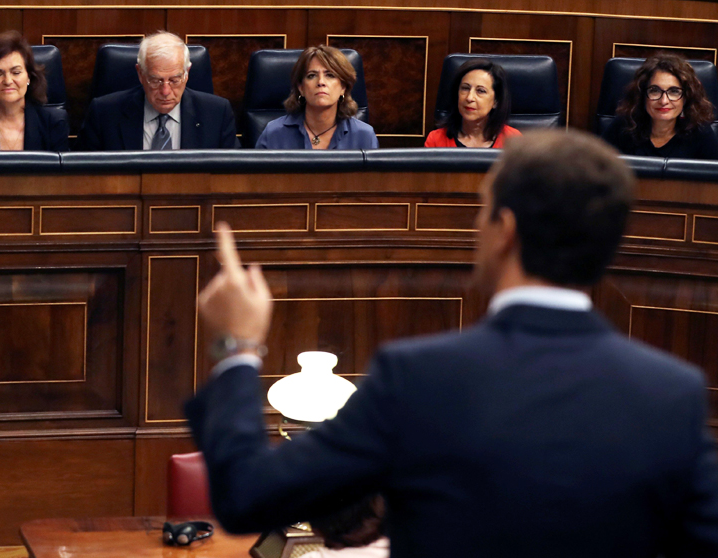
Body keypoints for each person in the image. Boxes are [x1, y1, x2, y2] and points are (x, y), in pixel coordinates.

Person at [187, 130, 718, 556]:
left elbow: (249, 495)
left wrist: (237, 348)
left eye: (481, 210)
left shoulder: (419, 378)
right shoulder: (672, 393)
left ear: (505, 230)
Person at [76, 31, 238, 151]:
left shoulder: (217, 114)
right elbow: (83, 177)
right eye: (156, 81)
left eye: (174, 80)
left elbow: (232, 176)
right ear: (140, 73)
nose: (166, 91)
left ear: (187, 73)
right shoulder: (104, 114)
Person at [255, 46, 377, 150]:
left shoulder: (364, 136)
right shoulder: (274, 133)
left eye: (330, 75)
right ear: (301, 88)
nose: (321, 82)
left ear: (343, 88)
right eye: (311, 76)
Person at [602, 53, 718, 159]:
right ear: (642, 95)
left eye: (674, 91)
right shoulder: (623, 127)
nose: (664, 101)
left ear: (686, 97)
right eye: (654, 91)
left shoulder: (701, 132)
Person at [424, 59, 521, 148]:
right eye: (465, 88)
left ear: (496, 101)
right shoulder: (436, 140)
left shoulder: (513, 140)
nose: (469, 98)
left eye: (481, 91)